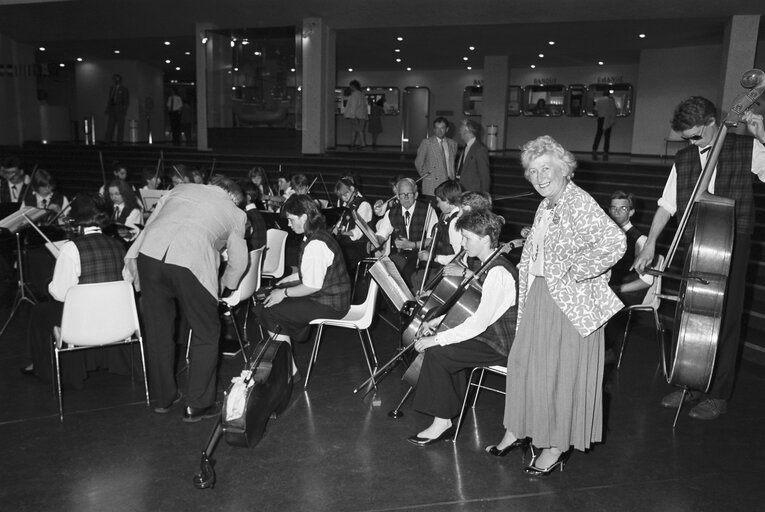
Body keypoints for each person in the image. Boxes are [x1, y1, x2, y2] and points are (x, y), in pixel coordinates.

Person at [490, 135, 625, 475]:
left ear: (564, 169)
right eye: (532, 171)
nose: (538, 177)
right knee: (524, 364)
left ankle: (556, 446)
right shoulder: (548, 203)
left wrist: (574, 271)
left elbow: (615, 241)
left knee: (559, 375)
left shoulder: (578, 201)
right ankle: (518, 429)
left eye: (546, 168)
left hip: (566, 304)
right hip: (539, 296)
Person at [633, 97, 765, 420]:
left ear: (712, 123)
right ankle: (689, 384)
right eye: (687, 138)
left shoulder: (746, 148)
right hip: (696, 238)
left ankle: (718, 393)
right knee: (689, 314)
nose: (692, 142)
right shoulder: (685, 158)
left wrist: (763, 136)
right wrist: (650, 242)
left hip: (733, 241)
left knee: (727, 320)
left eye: (695, 135)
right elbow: (667, 204)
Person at [124, 176, 248, 422]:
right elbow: (239, 260)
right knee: (207, 332)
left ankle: (163, 398)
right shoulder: (235, 213)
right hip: (190, 264)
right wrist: (225, 285)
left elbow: (150, 225)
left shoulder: (179, 189)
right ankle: (198, 405)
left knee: (158, 332)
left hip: (150, 256)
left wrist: (132, 263)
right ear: (233, 197)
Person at [407, 209, 519, 445]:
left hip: (501, 344)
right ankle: (444, 417)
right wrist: (438, 321)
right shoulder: (487, 264)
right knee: (444, 348)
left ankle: (442, 423)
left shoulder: (498, 271)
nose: (463, 243)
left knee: (438, 351)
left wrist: (436, 339)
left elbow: (478, 323)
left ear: (486, 239)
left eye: (467, 238)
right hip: (489, 335)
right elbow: (474, 307)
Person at [22, 195, 131, 388]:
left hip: (82, 321)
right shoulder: (119, 246)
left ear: (77, 220)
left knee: (40, 311)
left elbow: (60, 294)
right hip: (116, 318)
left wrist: (49, 282)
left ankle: (39, 366)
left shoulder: (71, 248)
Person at [254, 194, 351, 372]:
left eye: (291, 220)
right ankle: (287, 356)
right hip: (327, 297)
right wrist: (286, 282)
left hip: (331, 305)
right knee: (270, 302)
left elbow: (312, 285)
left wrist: (282, 292)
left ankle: (289, 370)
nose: (289, 225)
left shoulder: (315, 244)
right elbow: (311, 274)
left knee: (270, 311)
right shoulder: (315, 236)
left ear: (304, 217)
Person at [371, 177, 436, 288]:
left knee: (404, 276)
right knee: (380, 274)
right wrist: (374, 242)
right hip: (399, 255)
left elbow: (433, 240)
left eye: (409, 194)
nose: (405, 198)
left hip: (420, 255)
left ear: (416, 195)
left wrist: (411, 244)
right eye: (402, 194)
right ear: (397, 196)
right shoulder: (391, 212)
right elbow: (382, 234)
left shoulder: (429, 210)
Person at [412, 180, 463, 292]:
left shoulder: (455, 222)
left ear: (448, 201)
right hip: (445, 266)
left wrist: (433, 257)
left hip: (452, 273)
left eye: (439, 201)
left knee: (415, 279)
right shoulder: (449, 216)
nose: (437, 205)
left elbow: (459, 258)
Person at [607, 191, 652, 305]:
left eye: (623, 208)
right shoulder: (605, 233)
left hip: (627, 293)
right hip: (609, 287)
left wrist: (617, 288)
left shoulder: (641, 240)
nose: (617, 212)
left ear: (631, 212)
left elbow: (648, 281)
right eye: (613, 208)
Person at [332, 176, 373, 275]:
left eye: (346, 194)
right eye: (341, 196)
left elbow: (358, 233)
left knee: (340, 257)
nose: (344, 198)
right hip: (347, 244)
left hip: (359, 246)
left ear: (352, 189)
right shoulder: (346, 206)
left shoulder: (364, 205)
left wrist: (343, 232)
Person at [414, 117, 458, 198]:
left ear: (447, 129)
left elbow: (451, 163)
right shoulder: (426, 143)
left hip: (448, 182)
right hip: (432, 183)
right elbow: (418, 162)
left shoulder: (453, 144)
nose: (439, 131)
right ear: (434, 129)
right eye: (437, 128)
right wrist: (426, 175)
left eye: (442, 128)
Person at [457, 119, 491, 193]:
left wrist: (485, 195)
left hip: (473, 192)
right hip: (462, 191)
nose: (459, 131)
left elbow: (484, 175)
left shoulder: (480, 149)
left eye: (461, 129)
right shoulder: (466, 147)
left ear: (467, 131)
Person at [240, 180, 268, 251]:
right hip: (258, 258)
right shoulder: (258, 213)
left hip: (249, 257)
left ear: (248, 198)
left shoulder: (246, 216)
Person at [104, 74, 130, 144]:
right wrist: (108, 108)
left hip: (120, 109)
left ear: (120, 80)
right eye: (115, 79)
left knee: (120, 126)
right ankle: (107, 140)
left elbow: (126, 101)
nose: (116, 80)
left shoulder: (124, 89)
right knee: (110, 126)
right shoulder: (112, 89)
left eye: (117, 79)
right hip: (112, 109)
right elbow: (110, 99)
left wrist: (124, 110)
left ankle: (119, 141)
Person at [592, 91, 617, 158]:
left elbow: (595, 111)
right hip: (608, 119)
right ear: (608, 94)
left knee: (598, 134)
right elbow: (614, 110)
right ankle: (605, 151)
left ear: (603, 94)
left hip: (600, 119)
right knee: (607, 136)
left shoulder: (599, 100)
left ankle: (594, 149)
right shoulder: (611, 100)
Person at [343, 80, 368, 150]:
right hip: (362, 116)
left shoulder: (354, 95)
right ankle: (354, 144)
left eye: (350, 86)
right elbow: (365, 106)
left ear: (353, 86)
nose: (350, 87)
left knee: (357, 130)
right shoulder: (362, 94)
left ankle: (362, 144)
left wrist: (352, 115)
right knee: (357, 130)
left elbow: (353, 106)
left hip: (356, 116)